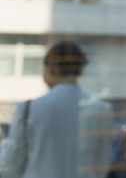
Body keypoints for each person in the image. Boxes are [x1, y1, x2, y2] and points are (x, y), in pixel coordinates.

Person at [0, 41, 114, 178]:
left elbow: (11, 168)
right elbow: (101, 167)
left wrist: (4, 143)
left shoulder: (27, 109)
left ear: (51, 67)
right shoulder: (102, 110)